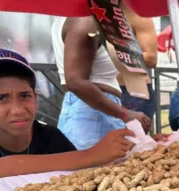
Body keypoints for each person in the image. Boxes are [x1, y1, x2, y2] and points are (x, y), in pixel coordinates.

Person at [0, 48, 135, 184]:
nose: (18, 109)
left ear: (35, 98)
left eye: (25, 96)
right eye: (1, 98)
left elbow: (83, 176)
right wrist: (90, 154)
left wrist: (136, 147)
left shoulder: (51, 138)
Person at [51, 17, 150, 150]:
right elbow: (75, 82)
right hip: (91, 115)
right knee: (93, 169)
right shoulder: (85, 21)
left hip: (92, 112)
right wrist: (125, 114)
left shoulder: (84, 18)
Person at [117, 4, 157, 127]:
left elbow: (151, 58)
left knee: (135, 144)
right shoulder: (93, 14)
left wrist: (114, 56)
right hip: (103, 90)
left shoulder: (136, 16)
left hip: (133, 92)